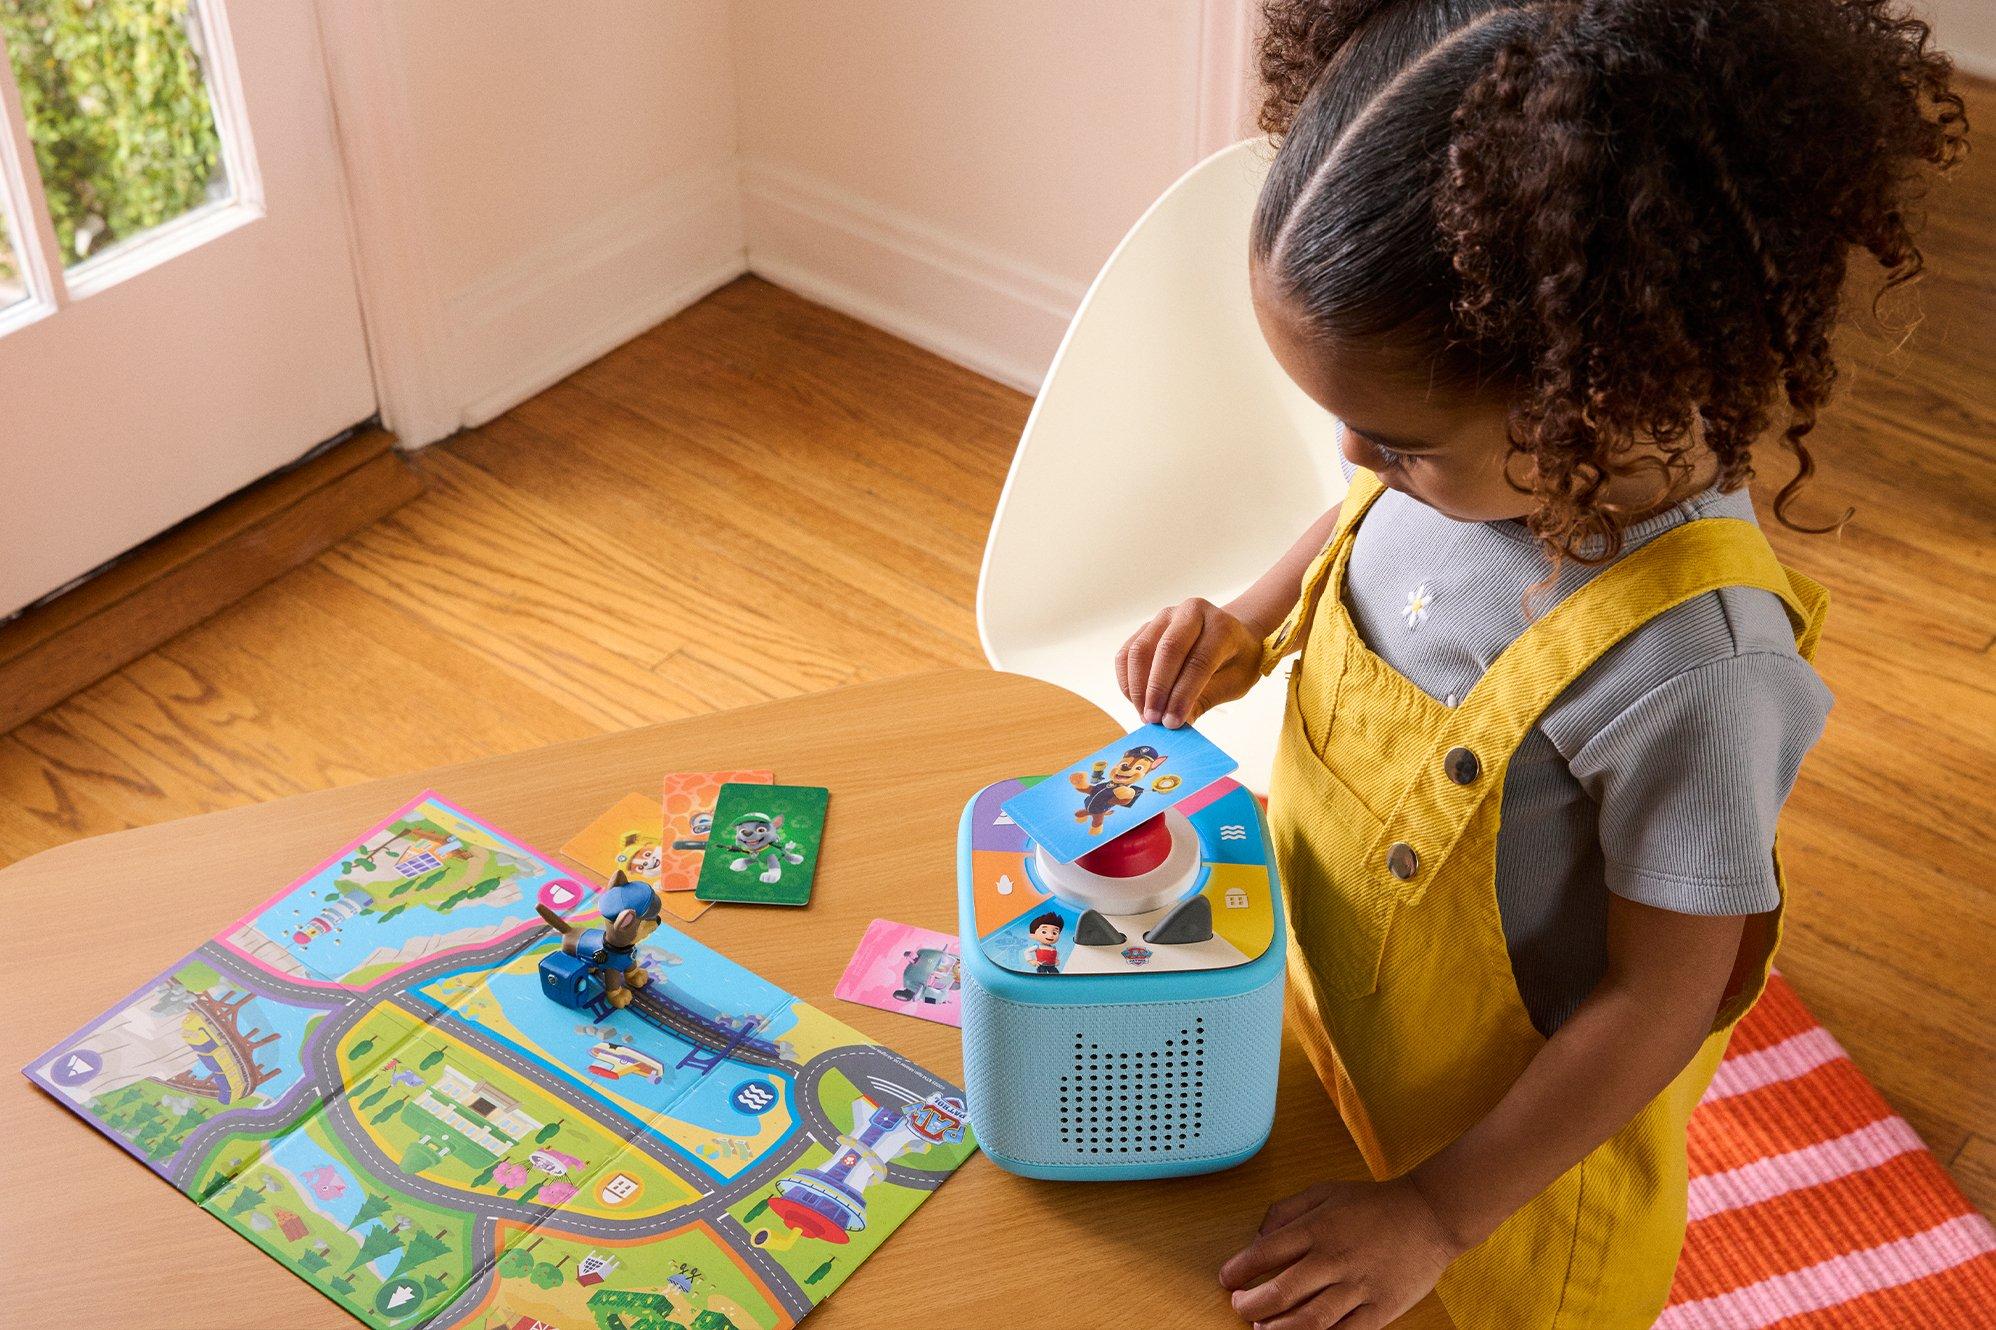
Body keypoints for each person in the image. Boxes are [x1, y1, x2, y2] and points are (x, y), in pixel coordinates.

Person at [1114, 2, 1965, 1325]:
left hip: (1498, 1206)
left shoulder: (1696, 664)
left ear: (1591, 392)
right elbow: (1364, 524)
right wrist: (1249, 619)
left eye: (1392, 437)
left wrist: (1437, 1211)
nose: (1353, 463)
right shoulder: (1470, 474)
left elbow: (1660, 999)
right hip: (1334, 1045)